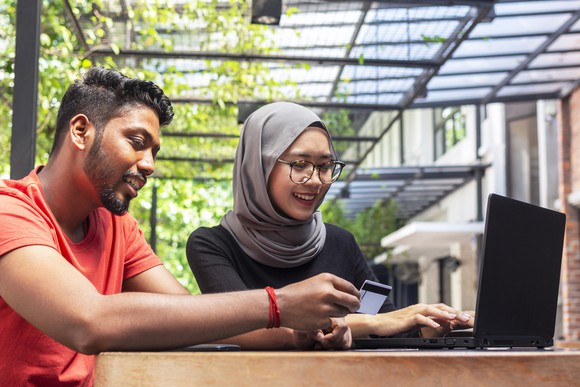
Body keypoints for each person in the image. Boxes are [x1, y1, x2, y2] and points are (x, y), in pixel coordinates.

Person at [0, 68, 361, 385]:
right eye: (137, 142)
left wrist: (298, 333)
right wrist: (278, 303)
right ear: (81, 131)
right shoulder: (9, 212)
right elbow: (89, 321)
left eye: (154, 151)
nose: (149, 164)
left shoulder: (117, 227)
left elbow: (187, 314)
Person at [186, 101, 474, 349]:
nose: (315, 180)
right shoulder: (213, 245)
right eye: (299, 164)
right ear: (258, 167)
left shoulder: (339, 242)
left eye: (325, 166)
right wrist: (375, 322)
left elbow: (387, 326)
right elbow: (235, 325)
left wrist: (427, 326)